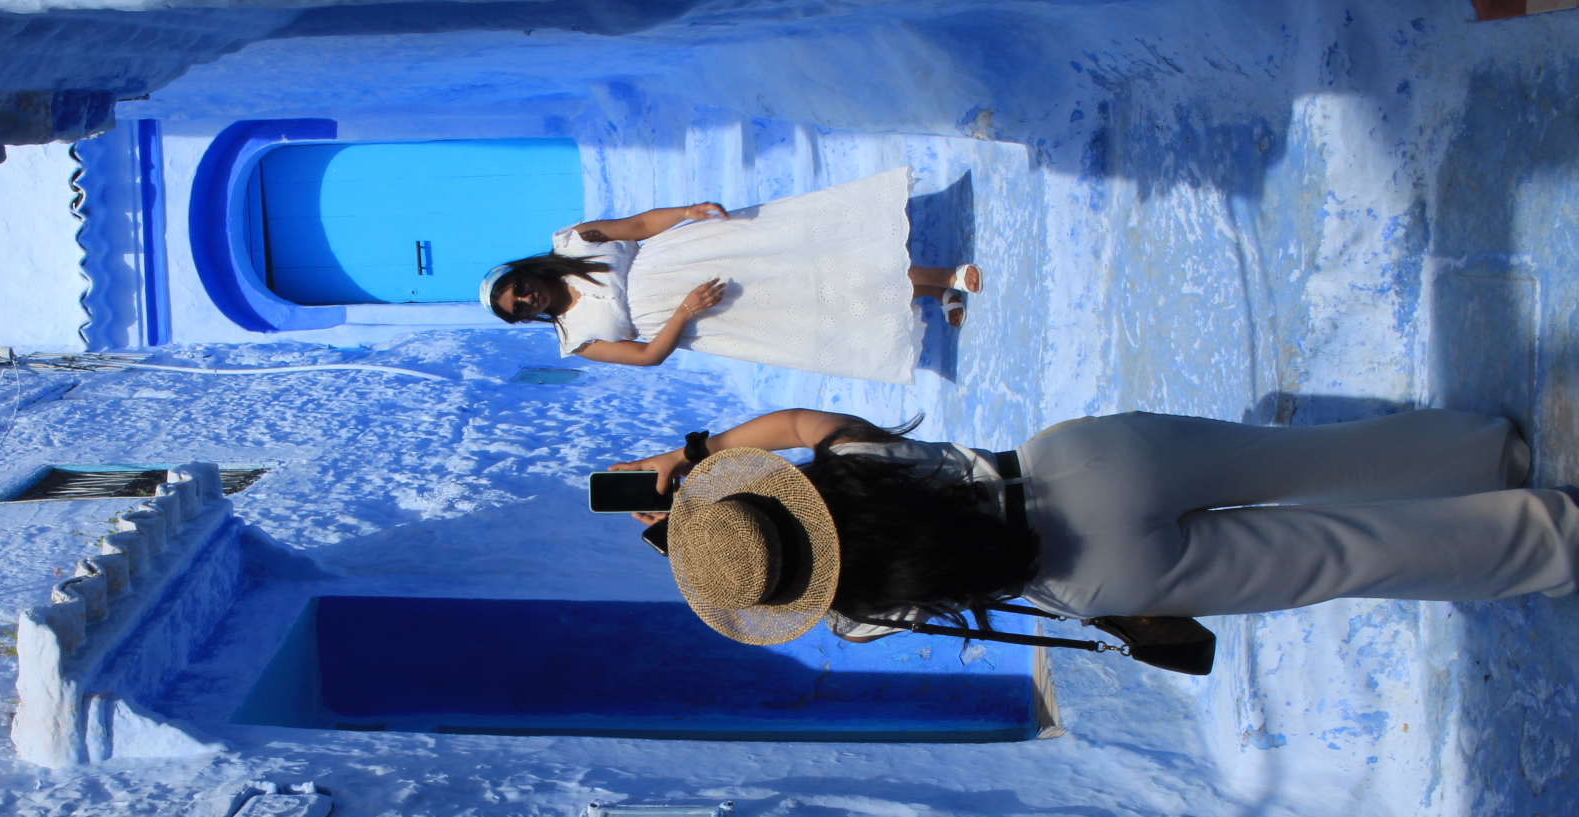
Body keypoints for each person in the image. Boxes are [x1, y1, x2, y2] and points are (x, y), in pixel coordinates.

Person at [610, 407, 1568, 645]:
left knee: (1350, 557)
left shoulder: (856, 610)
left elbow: (821, 587)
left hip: (1089, 575)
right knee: (1308, 456)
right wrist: (693, 467)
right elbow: (793, 431)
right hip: (1082, 461)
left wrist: (702, 536)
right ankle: (1489, 452)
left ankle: (1553, 540)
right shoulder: (859, 468)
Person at [480, 168, 979, 386]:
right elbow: (647, 356)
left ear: (523, 273)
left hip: (706, 255)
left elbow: (635, 226)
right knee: (819, 297)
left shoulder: (572, 241)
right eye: (518, 309)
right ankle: (935, 289)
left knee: (819, 265)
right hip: (712, 313)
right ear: (525, 319)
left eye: (517, 289)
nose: (525, 299)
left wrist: (686, 211)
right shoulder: (576, 341)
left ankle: (942, 278)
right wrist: (687, 310)